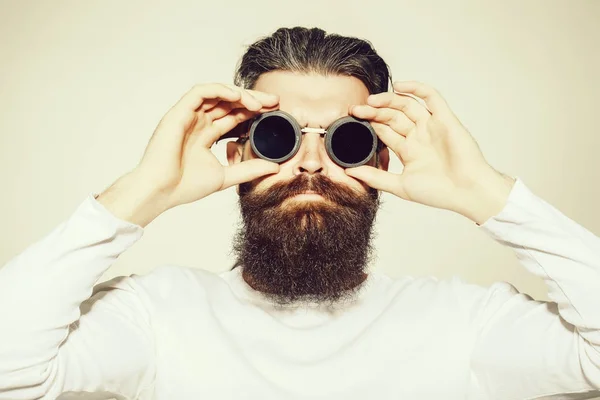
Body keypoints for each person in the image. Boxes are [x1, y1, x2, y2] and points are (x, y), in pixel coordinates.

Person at [0, 26, 599, 400]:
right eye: (276, 136)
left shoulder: (466, 322)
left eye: (345, 141)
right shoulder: (156, 313)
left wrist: (486, 194)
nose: (310, 164)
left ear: (384, 158)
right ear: (234, 152)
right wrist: (141, 191)